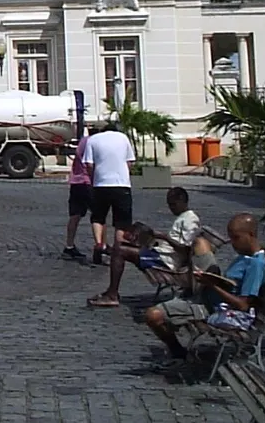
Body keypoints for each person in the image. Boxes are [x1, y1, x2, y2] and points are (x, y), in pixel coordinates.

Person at [142, 212, 265, 368]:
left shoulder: (256, 265)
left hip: (214, 307)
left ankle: (178, 353)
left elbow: (242, 305)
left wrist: (211, 285)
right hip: (210, 294)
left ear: (250, 235)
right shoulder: (245, 256)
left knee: (153, 315)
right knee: (199, 243)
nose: (233, 244)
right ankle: (188, 276)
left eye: (236, 238)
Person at [87, 186, 216, 307]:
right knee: (125, 244)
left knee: (120, 250)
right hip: (162, 253)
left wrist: (162, 236)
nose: (171, 208)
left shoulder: (190, 220)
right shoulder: (184, 217)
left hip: (167, 261)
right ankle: (110, 263)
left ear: (182, 201)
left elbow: (185, 248)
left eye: (173, 205)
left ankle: (112, 294)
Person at [85, 116, 135, 264]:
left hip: (100, 184)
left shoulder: (92, 140)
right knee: (122, 221)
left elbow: (89, 164)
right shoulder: (123, 138)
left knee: (98, 217)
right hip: (121, 184)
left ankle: (99, 243)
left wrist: (94, 177)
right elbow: (130, 162)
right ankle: (118, 250)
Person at [62, 132, 92, 260]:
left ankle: (69, 245)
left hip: (76, 181)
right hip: (88, 181)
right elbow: (91, 165)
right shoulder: (94, 143)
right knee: (99, 216)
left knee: (75, 215)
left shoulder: (83, 141)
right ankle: (101, 246)